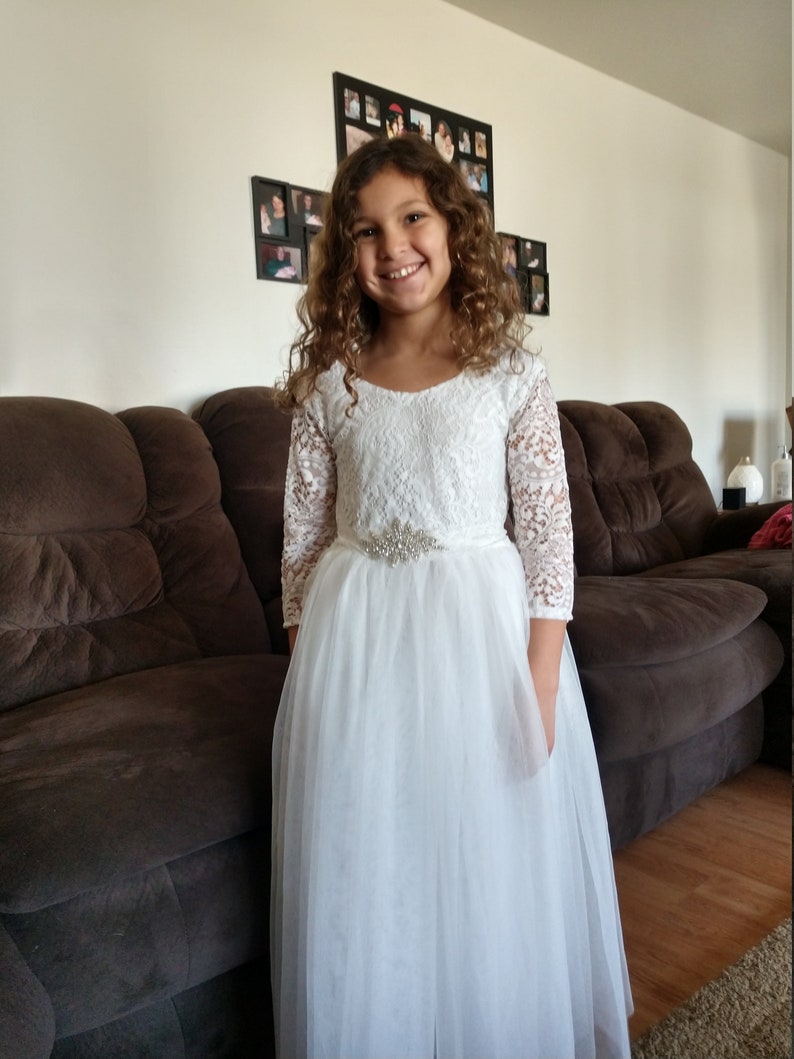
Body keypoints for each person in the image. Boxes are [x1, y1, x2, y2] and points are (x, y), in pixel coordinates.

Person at [271, 133, 632, 1059]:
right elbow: (303, 546)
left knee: (486, 858)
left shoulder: (512, 372)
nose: (392, 246)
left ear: (454, 226)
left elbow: (549, 536)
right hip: (358, 653)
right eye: (365, 230)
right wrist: (315, 674)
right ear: (343, 255)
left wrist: (540, 685)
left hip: (481, 645)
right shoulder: (330, 386)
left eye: (413, 217)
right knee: (374, 859)